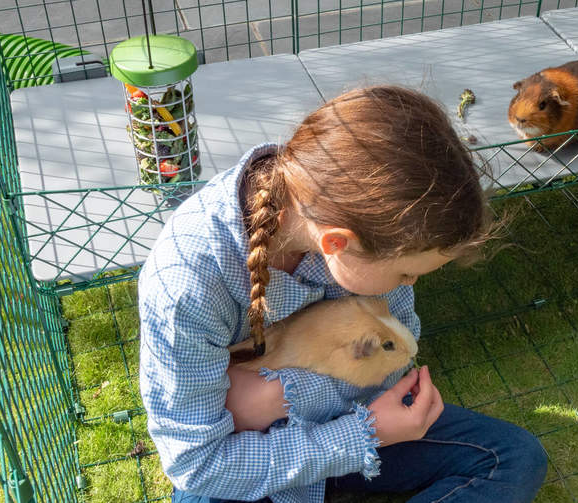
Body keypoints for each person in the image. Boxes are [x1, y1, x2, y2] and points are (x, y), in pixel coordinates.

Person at [138, 85, 548, 503]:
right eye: (406, 272)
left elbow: (396, 352)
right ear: (338, 243)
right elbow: (199, 464)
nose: (410, 285)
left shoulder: (361, 228)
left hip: (350, 421)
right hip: (249, 458)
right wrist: (361, 435)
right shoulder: (187, 278)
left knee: (515, 458)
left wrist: (280, 397)